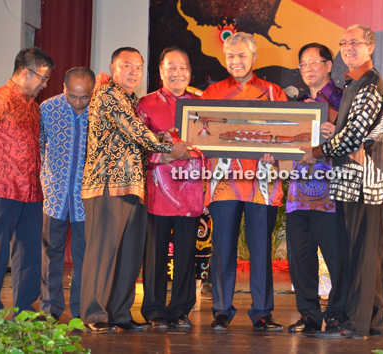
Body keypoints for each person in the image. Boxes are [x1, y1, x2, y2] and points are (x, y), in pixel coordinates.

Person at [80, 47, 191, 333]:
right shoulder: (108, 95)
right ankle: (94, 315)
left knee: (129, 255)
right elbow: (137, 133)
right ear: (113, 67)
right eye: (127, 66)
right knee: (103, 253)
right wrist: (170, 147)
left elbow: (139, 143)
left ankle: (119, 313)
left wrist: (163, 146)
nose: (133, 72)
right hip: (106, 185)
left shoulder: (131, 100)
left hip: (134, 185)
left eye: (138, 67)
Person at [300, 24, 383, 338]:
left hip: (364, 183)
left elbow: (354, 136)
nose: (348, 47)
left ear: (370, 46)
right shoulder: (355, 82)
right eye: (343, 43)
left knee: (364, 255)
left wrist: (318, 150)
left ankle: (362, 323)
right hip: (349, 182)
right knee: (357, 254)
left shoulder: (371, 83)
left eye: (354, 42)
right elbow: (348, 132)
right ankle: (365, 320)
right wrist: (333, 130)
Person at [203, 32, 287, 331]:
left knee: (261, 248)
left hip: (261, 182)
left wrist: (274, 149)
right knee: (223, 247)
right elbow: (203, 133)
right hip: (225, 180)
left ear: (253, 57)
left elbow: (287, 133)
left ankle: (262, 311)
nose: (235, 61)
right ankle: (222, 310)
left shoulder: (273, 92)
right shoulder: (212, 92)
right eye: (230, 56)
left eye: (241, 55)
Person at [0, 47, 54, 313]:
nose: (45, 83)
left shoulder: (33, 106)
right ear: (26, 72)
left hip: (30, 189)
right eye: (43, 77)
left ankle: (25, 309)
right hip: (1, 188)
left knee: (29, 252)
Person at [136, 47, 203, 329]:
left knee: (187, 252)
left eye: (184, 67)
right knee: (156, 252)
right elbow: (137, 146)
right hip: (159, 191)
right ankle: (153, 309)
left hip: (193, 191)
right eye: (171, 67)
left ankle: (181, 309)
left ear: (191, 71)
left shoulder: (203, 104)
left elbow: (212, 146)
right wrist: (162, 154)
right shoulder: (145, 104)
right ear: (161, 71)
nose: (178, 73)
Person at [286, 43, 348, 333]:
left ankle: (338, 313)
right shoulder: (293, 105)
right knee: (301, 257)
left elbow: (357, 139)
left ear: (328, 65)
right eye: (303, 64)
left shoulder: (343, 99)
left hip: (332, 194)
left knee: (337, 256)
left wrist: (336, 131)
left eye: (314, 62)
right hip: (297, 195)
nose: (308, 68)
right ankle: (309, 314)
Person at [39, 67, 95, 321]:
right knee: (52, 253)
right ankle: (50, 308)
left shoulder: (99, 113)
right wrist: (45, 179)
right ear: (63, 88)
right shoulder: (47, 109)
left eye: (85, 97)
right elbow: (38, 146)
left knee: (85, 255)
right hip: (55, 194)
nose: (79, 103)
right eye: (73, 96)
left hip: (86, 198)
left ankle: (81, 309)